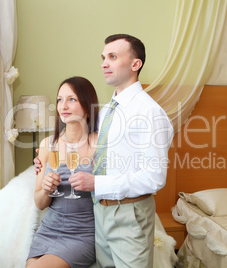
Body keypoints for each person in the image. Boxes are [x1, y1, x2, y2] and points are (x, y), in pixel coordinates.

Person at [34, 34, 174, 267]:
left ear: (135, 64)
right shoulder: (107, 111)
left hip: (129, 212)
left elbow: (155, 177)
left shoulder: (150, 112)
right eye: (103, 57)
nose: (104, 63)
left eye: (112, 56)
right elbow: (83, 147)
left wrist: (96, 184)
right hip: (100, 214)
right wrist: (41, 161)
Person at [27, 76, 99, 268]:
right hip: (49, 229)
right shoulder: (47, 145)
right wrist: (46, 189)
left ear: (87, 104)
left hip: (83, 233)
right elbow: (40, 203)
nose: (63, 106)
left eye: (72, 99)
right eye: (60, 99)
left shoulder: (101, 144)